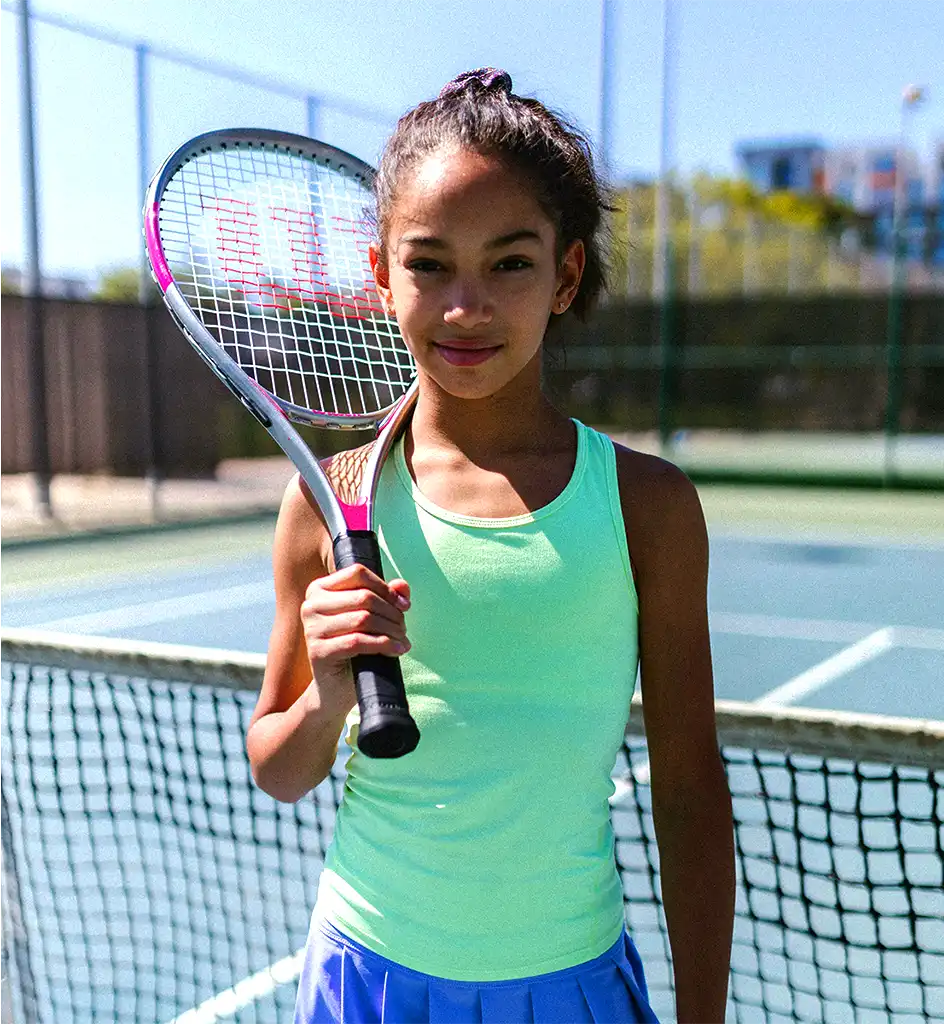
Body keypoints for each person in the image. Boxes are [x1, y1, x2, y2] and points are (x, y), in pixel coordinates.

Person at [246, 68, 735, 1024]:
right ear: (381, 276)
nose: (465, 307)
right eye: (429, 264)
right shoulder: (329, 499)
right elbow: (278, 766)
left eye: (509, 263)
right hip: (367, 977)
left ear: (566, 276)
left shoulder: (650, 507)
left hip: (570, 983)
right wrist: (333, 690)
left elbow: (687, 787)